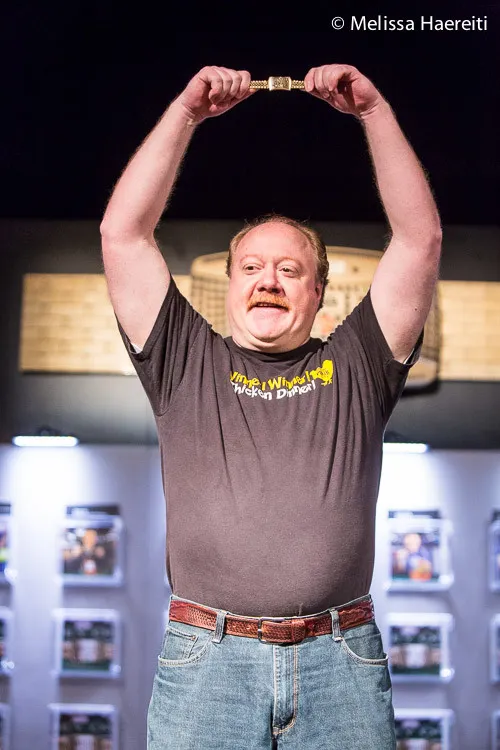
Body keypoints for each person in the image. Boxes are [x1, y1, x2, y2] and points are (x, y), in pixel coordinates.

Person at [100, 64, 442, 749]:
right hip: (207, 664)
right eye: (252, 267)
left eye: (290, 270)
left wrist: (374, 112)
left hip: (340, 664)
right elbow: (123, 234)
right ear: (230, 286)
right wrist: (185, 114)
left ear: (318, 294)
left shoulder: (357, 364)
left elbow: (419, 240)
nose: (269, 281)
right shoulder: (184, 360)